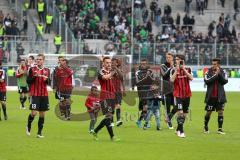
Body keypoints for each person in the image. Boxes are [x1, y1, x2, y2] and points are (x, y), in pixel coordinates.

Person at [92, 56, 119, 141]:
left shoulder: (111, 71)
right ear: (103, 63)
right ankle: (112, 137)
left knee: (109, 118)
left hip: (112, 97)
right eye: (107, 63)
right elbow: (105, 77)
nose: (109, 64)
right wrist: (113, 71)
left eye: (110, 63)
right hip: (104, 97)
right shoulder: (101, 71)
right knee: (108, 117)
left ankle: (95, 131)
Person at [26, 54, 50, 138]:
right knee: (34, 113)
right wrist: (34, 77)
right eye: (37, 59)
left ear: (43, 60)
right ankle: (28, 125)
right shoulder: (32, 69)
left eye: (40, 59)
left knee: (42, 114)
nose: (38, 61)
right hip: (34, 94)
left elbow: (49, 83)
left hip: (44, 95)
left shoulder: (47, 70)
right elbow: (28, 81)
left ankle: (39, 133)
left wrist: (47, 80)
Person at [170, 54, 193, 138]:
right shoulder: (173, 70)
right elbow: (172, 80)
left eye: (178, 59)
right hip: (178, 94)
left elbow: (191, 78)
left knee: (185, 114)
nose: (176, 61)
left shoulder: (188, 69)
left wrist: (184, 70)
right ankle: (182, 132)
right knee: (180, 112)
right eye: (175, 59)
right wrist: (176, 71)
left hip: (187, 94)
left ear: (182, 60)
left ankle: (177, 130)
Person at [203, 58, 228, 134]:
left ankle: (220, 129)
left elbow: (225, 81)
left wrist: (219, 74)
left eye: (215, 64)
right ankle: (205, 126)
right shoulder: (208, 71)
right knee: (209, 112)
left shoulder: (223, 71)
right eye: (212, 64)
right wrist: (215, 75)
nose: (213, 65)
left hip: (220, 96)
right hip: (211, 96)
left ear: (218, 65)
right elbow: (207, 81)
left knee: (221, 112)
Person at [135, 59, 154, 128]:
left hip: (149, 91)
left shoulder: (150, 72)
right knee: (145, 107)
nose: (143, 65)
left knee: (147, 108)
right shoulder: (138, 72)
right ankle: (146, 122)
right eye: (142, 64)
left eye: (144, 64)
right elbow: (138, 82)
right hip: (142, 91)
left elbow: (152, 81)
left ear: (147, 64)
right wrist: (147, 77)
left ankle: (139, 121)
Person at [160, 53, 176, 129]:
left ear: (172, 58)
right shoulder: (163, 66)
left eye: (169, 57)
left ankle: (168, 118)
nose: (168, 58)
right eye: (166, 57)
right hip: (166, 90)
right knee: (167, 107)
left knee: (176, 106)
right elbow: (164, 75)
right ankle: (169, 123)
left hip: (175, 89)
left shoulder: (176, 66)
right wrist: (171, 67)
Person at [111, 58, 124, 127]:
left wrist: (124, 90)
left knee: (118, 105)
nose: (113, 63)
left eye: (114, 62)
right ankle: (112, 121)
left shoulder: (119, 70)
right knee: (111, 107)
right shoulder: (108, 70)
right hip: (110, 91)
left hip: (118, 91)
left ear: (117, 63)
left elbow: (122, 77)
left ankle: (118, 120)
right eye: (112, 62)